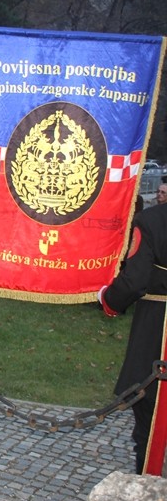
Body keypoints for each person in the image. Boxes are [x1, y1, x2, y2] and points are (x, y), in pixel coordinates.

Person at [99, 201, 167, 474]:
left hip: (158, 330)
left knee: (150, 423)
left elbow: (134, 280)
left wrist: (109, 299)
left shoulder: (151, 220)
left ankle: (149, 492)